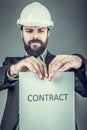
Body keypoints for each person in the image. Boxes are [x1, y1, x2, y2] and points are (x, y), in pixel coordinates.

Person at [0, 2, 87, 130]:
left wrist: (80, 62)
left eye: (41, 30)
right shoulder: (11, 63)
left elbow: (85, 90)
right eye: (29, 30)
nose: (35, 36)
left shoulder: (62, 64)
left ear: (48, 33)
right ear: (21, 33)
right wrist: (13, 70)